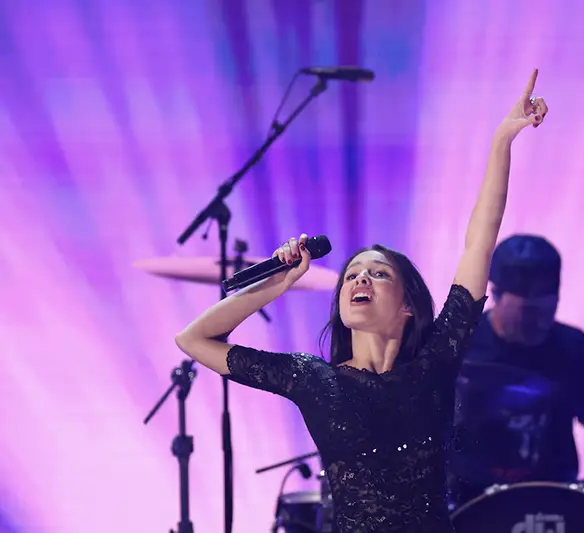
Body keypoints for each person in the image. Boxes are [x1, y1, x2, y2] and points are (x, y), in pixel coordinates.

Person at [175, 69, 548, 533]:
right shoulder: (313, 379)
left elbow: (479, 244)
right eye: (352, 274)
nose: (360, 279)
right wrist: (278, 283)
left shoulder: (437, 359)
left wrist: (501, 142)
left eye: (377, 273)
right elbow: (194, 338)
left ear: (408, 304)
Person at [449, 234, 584, 506]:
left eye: (548, 311)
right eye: (527, 312)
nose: (540, 323)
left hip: (552, 499)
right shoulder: (459, 344)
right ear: (495, 294)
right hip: (468, 501)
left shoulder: (574, 348)